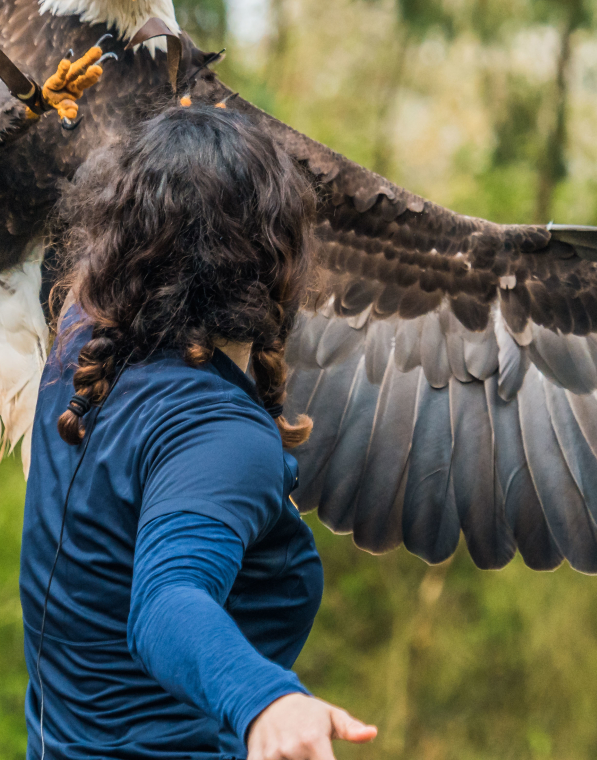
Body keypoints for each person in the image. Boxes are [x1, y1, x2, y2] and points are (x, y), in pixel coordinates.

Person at [19, 101, 377, 760]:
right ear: (276, 252)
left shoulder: (78, 354)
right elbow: (165, 603)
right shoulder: (219, 433)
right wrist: (263, 697)